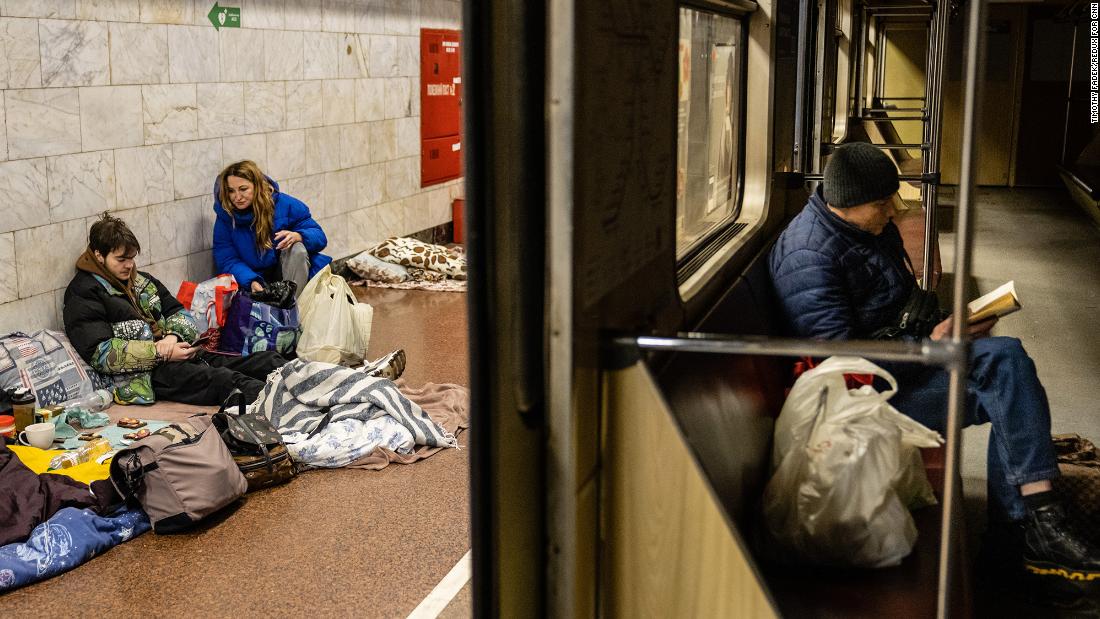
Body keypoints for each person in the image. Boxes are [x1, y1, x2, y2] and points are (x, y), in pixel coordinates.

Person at [768, 142, 1100, 582]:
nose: (892, 212)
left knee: (1006, 370)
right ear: (844, 203)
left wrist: (946, 324)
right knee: (1004, 373)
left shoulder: (865, 229)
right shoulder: (808, 256)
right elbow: (842, 363)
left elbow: (896, 304)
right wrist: (932, 342)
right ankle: (1028, 529)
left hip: (902, 363)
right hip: (865, 398)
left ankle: (1026, 531)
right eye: (880, 204)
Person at [63, 213, 287, 406]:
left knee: (267, 362)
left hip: (180, 354)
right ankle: (290, 410)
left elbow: (180, 313)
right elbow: (101, 353)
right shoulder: (83, 293)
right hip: (145, 376)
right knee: (231, 382)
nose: (129, 265)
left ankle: (312, 386)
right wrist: (160, 352)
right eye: (121, 259)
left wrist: (172, 338)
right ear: (99, 255)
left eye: (131, 258)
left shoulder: (142, 281)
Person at [212, 160, 332, 295]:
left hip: (291, 276)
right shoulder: (226, 216)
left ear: (256, 186)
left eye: (243, 189)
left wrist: (300, 236)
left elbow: (319, 236)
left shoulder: (284, 204)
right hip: (255, 279)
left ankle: (293, 308)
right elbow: (227, 259)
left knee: (297, 248)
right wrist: (250, 281)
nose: (237, 197)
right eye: (231, 191)